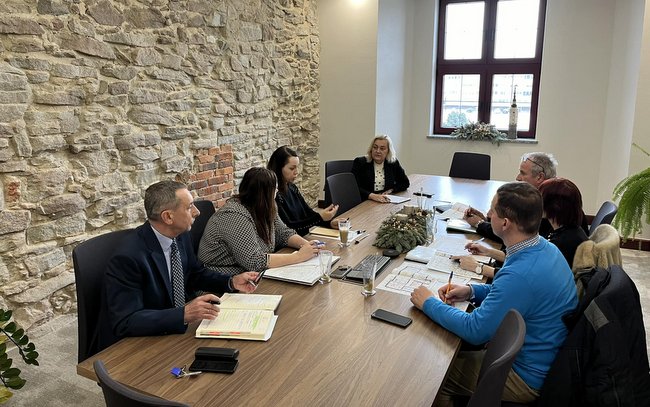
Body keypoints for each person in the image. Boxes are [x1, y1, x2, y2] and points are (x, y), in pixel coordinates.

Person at [411, 182, 578, 406]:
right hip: (545, 358)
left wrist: (428, 303)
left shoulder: (521, 273)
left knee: (434, 375)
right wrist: (471, 291)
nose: (488, 214)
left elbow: (475, 330)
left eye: (492, 210)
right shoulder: (544, 248)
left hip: (525, 376)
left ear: (506, 223)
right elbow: (514, 294)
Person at [98, 180, 259, 351]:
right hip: (139, 346)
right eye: (189, 207)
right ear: (168, 217)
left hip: (173, 332)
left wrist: (231, 281)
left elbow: (195, 274)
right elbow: (126, 321)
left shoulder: (179, 235)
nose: (197, 212)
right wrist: (183, 314)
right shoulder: (128, 257)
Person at [453, 177, 589, 276]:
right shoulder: (564, 230)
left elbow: (522, 275)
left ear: (554, 206)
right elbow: (524, 260)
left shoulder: (564, 243)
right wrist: (488, 252)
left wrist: (478, 267)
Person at [198, 167, 321, 275]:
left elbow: (283, 233)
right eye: (275, 189)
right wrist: (299, 256)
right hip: (222, 279)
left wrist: (307, 246)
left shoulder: (267, 207)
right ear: (265, 193)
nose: (277, 192)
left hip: (252, 274)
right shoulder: (233, 215)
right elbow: (254, 261)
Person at [464, 152, 558, 242]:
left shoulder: (543, 204)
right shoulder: (546, 194)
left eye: (523, 173)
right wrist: (488, 220)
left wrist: (479, 224)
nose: (518, 178)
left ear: (539, 177)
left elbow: (511, 235)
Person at [268, 146, 341, 236]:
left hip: (302, 238)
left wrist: (329, 222)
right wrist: (320, 217)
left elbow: (308, 214)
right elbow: (288, 227)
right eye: (292, 168)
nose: (296, 172)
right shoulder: (273, 194)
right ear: (279, 169)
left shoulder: (292, 187)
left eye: (297, 168)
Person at [351, 134, 410, 203]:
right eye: (375, 147)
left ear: (388, 151)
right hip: (365, 201)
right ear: (371, 149)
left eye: (382, 148)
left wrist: (391, 190)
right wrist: (372, 196)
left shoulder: (392, 163)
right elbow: (353, 186)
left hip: (383, 200)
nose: (378, 151)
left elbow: (405, 182)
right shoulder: (360, 162)